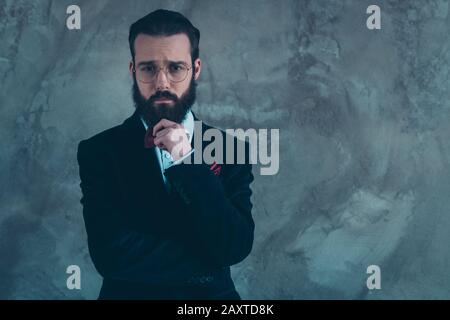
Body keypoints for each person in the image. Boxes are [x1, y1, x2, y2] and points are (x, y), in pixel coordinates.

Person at [76, 9, 255, 299]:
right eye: (149, 68)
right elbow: (111, 255)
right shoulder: (99, 151)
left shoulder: (231, 148)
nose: (162, 83)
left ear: (195, 69)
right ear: (133, 70)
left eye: (175, 68)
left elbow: (234, 245)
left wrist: (186, 158)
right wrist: (209, 261)